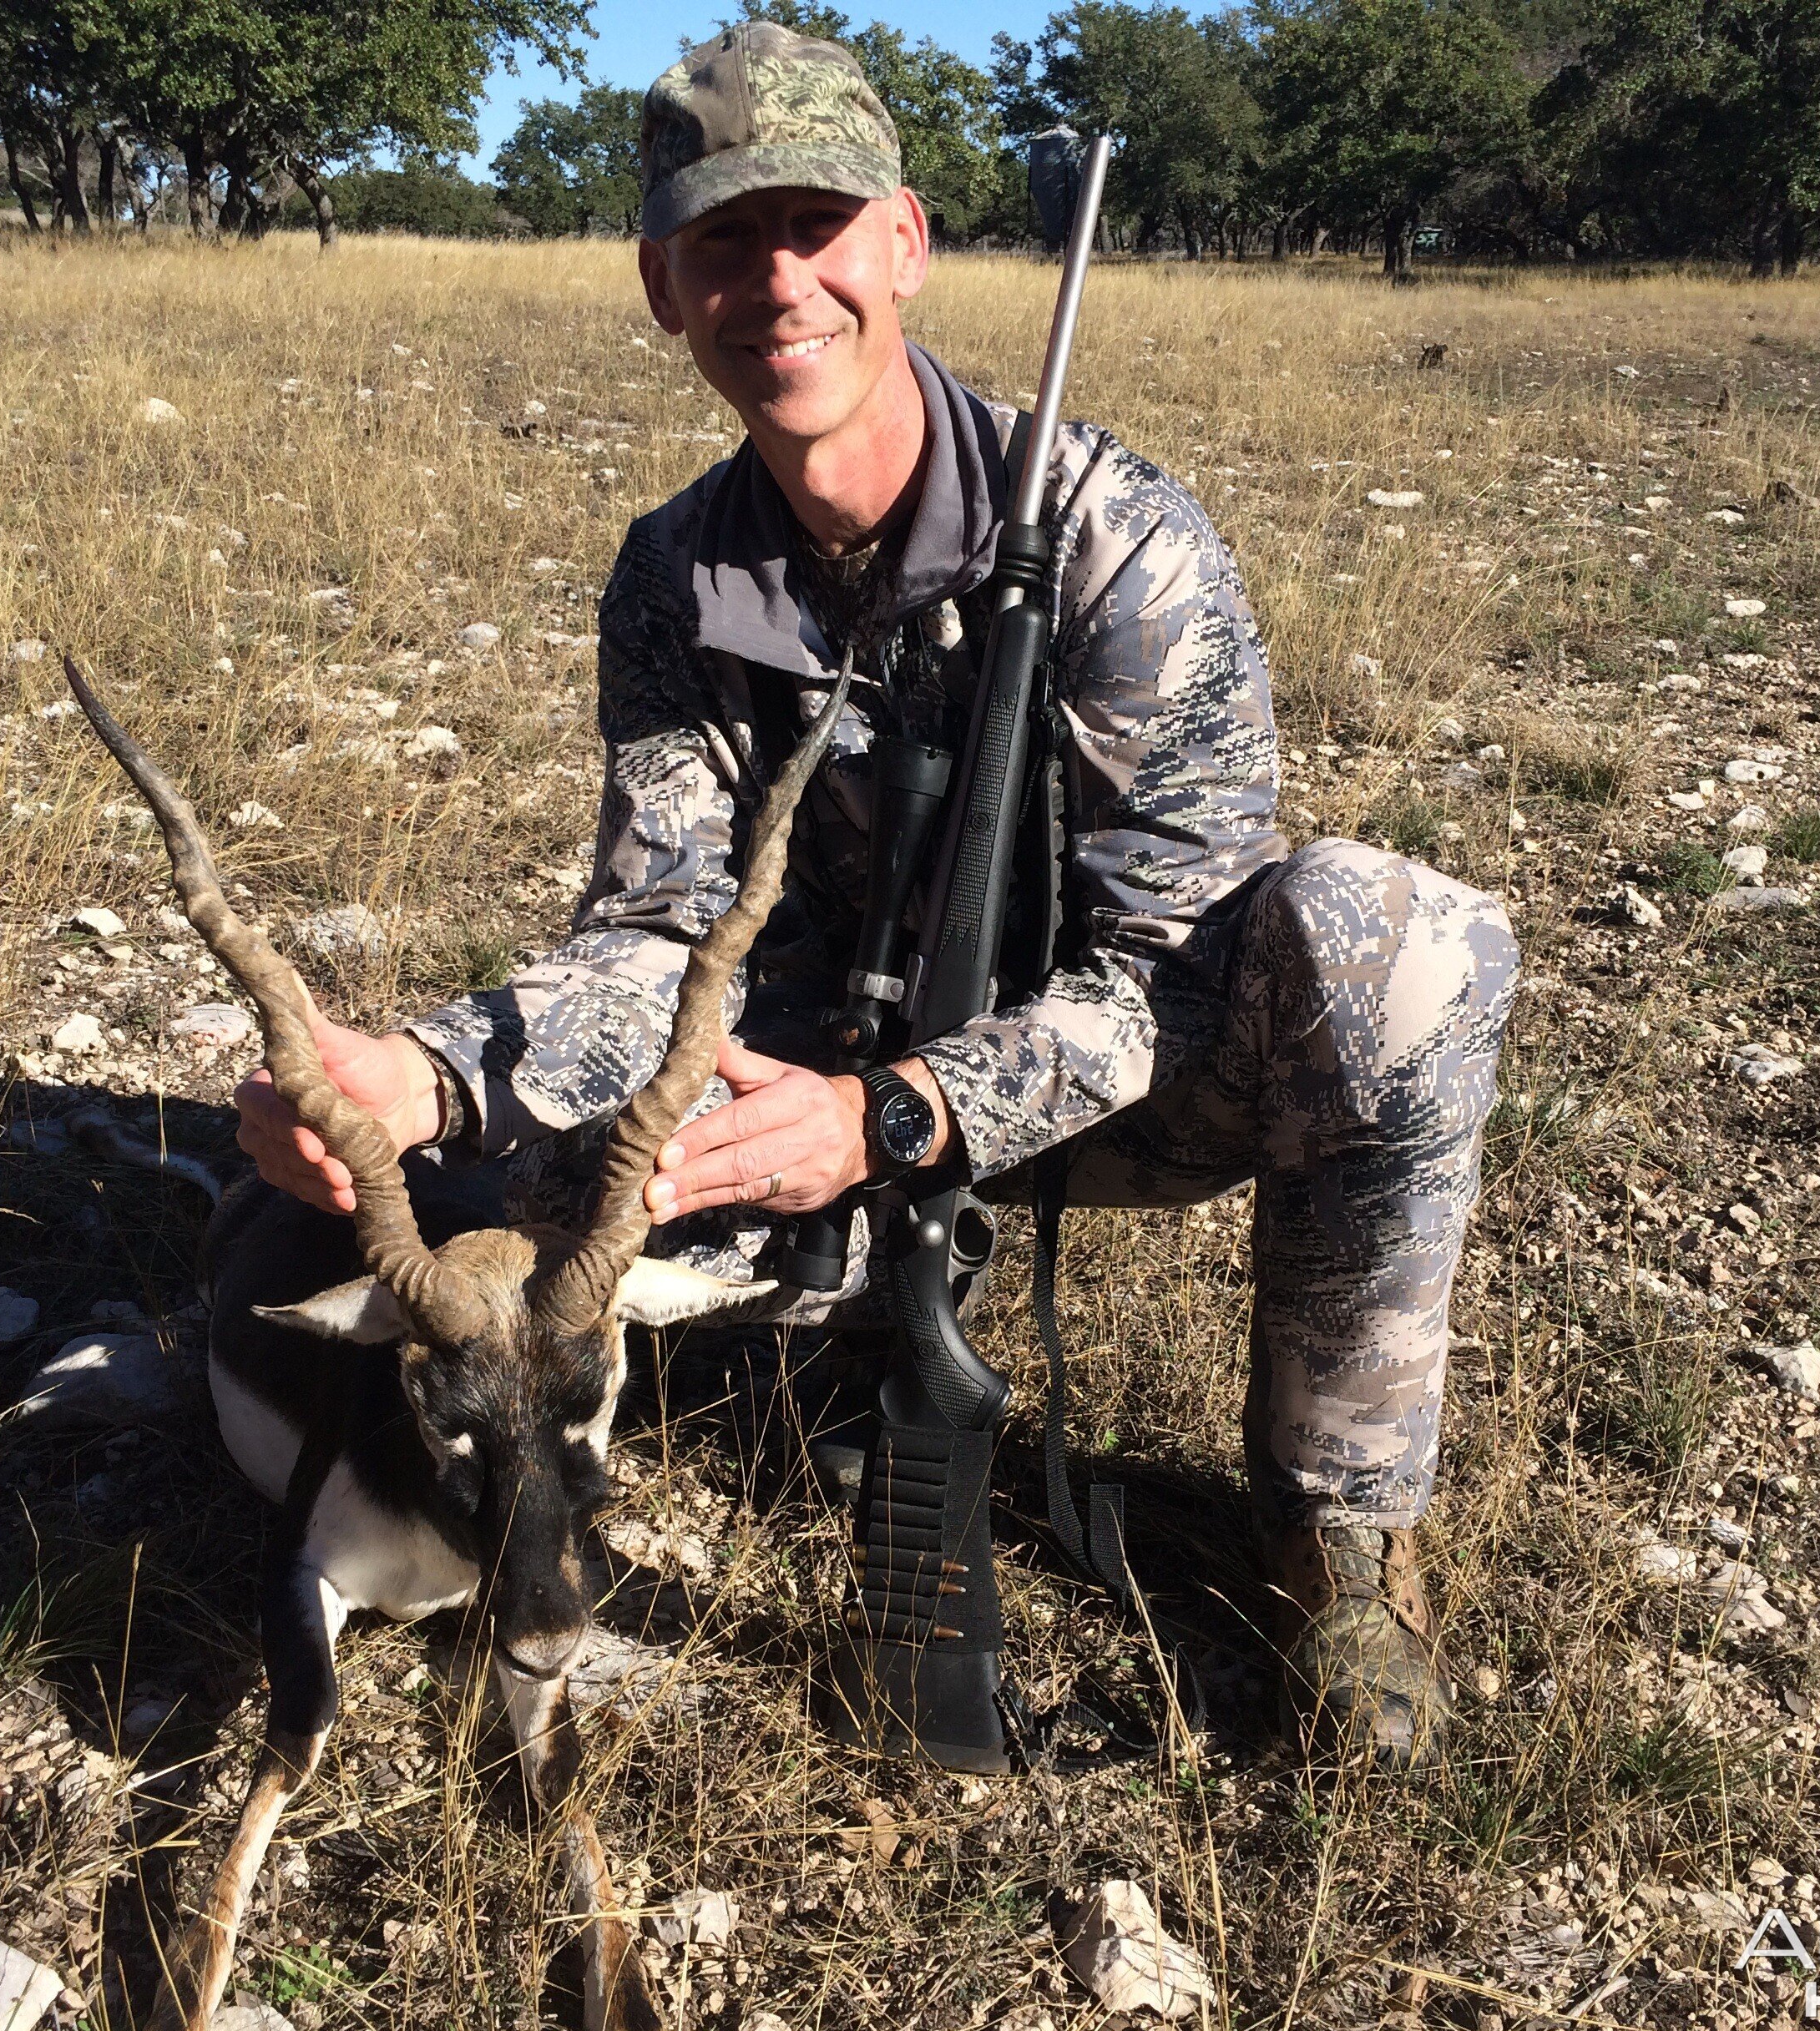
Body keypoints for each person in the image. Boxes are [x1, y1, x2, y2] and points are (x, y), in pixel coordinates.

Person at [230, 20, 1518, 1765]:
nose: (780, 282)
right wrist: (434, 1071)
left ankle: (1341, 1536)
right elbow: (657, 942)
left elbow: (1174, 980)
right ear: (661, 286)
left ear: (905, 243)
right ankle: (777, 1351)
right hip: (794, 1091)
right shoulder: (671, 578)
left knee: (1397, 951)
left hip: (1103, 1085)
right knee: (486, 1160)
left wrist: (899, 1121)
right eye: (723, 243)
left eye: (819, 226)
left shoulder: (1123, 541)